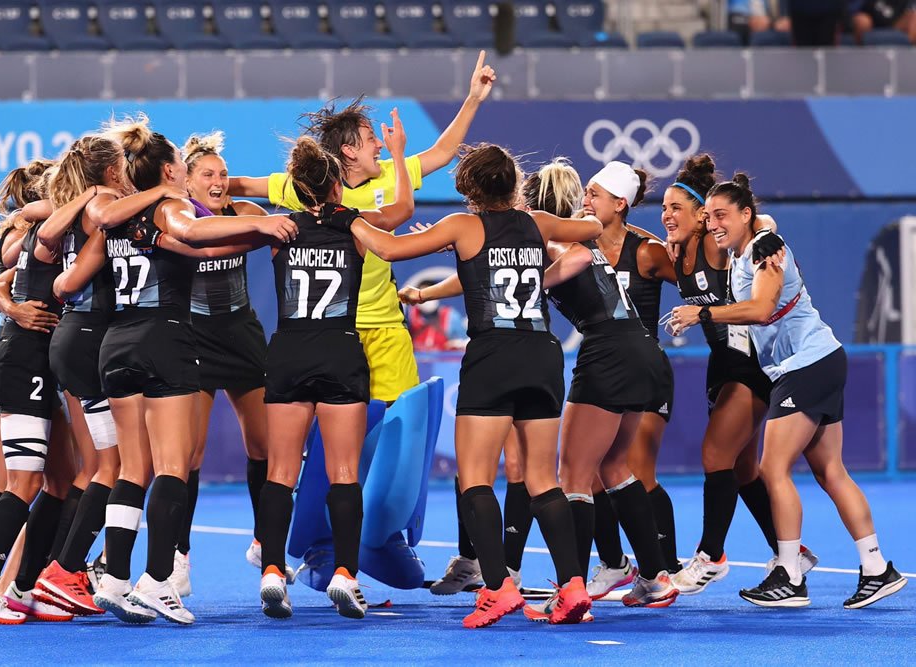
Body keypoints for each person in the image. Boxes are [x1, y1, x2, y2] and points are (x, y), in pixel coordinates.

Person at [344, 144, 603, 628]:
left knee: (476, 478)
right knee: (544, 480)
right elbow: (591, 230)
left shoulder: (463, 226)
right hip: (542, 354)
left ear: (469, 187)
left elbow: (389, 248)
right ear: (514, 184)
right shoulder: (538, 222)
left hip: (493, 356)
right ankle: (572, 586)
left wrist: (348, 217)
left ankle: (498, 588)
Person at [58, 114, 294, 625]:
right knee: (172, 466)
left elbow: (64, 283)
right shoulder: (169, 208)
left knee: (130, 469)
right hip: (165, 339)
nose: (197, 178)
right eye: (189, 169)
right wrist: (259, 226)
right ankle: (160, 578)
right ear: (170, 171)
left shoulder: (114, 215)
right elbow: (191, 233)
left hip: (115, 345)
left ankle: (114, 578)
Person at [670, 173, 908, 608]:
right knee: (830, 471)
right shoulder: (749, 249)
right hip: (820, 361)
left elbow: (762, 309)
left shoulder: (763, 250)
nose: (714, 224)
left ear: (745, 214)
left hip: (806, 366)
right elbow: (763, 229)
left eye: (722, 215)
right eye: (710, 217)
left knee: (772, 467)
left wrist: (701, 314)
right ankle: (877, 568)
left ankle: (789, 575)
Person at [229, 51, 496, 406]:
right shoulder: (309, 186)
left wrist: (473, 98)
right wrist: (196, 187)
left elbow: (444, 151)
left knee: (399, 417)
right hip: (336, 329)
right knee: (335, 424)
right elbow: (242, 185)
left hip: (386, 325)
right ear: (349, 151)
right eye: (371, 138)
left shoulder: (391, 174)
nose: (381, 144)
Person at [256, 112, 413, 620]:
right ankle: (346, 574)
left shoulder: (279, 228)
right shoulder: (355, 224)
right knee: (344, 473)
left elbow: (213, 228)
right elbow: (399, 225)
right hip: (341, 350)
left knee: (281, 473)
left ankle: (272, 571)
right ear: (336, 186)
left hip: (289, 350)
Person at [35, 135, 185, 616]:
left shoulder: (87, 202)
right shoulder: (106, 203)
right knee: (117, 467)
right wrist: (164, 194)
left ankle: (63, 571)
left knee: (109, 465)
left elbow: (49, 255)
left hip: (79, 340)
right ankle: (68, 568)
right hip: (92, 338)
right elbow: (68, 273)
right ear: (113, 170)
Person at [662, 155, 816, 595]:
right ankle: (792, 554)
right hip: (723, 362)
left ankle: (711, 556)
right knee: (744, 467)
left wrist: (766, 228)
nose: (667, 216)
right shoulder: (676, 251)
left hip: (751, 363)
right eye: (664, 208)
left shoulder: (715, 245)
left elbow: (757, 222)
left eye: (677, 208)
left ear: (703, 217)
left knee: (716, 454)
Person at [0, 186, 79, 624]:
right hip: (23, 362)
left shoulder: (66, 226)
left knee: (61, 481)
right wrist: (14, 309)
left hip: (40, 363)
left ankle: (22, 588)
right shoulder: (47, 228)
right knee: (20, 482)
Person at [570, 157, 684, 598]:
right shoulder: (578, 242)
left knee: (635, 470)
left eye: (594, 193)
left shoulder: (648, 250)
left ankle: (665, 567)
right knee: (601, 472)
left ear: (620, 203)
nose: (585, 199)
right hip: (608, 362)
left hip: (642, 367)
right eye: (585, 192)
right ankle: (618, 564)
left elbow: (697, 284)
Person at [176, 132, 272, 591]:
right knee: (188, 455)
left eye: (223, 174)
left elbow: (283, 227)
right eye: (207, 175)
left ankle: (265, 542)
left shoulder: (245, 212)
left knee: (266, 449)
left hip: (241, 337)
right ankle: (178, 559)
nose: (217, 182)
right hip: (193, 339)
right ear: (187, 181)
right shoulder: (176, 217)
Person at [406, 279, 467, 352]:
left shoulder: (450, 316)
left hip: (444, 359)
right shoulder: (410, 316)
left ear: (436, 296)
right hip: (416, 358)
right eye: (422, 296)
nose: (426, 301)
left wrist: (457, 344)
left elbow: (464, 342)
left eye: (428, 296)